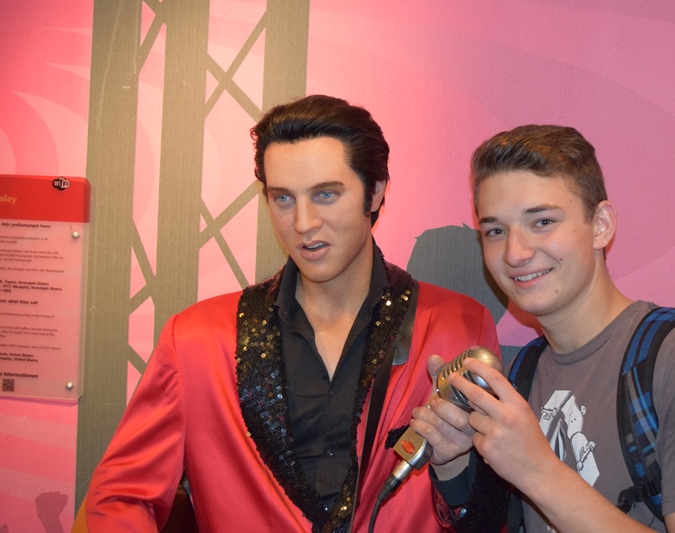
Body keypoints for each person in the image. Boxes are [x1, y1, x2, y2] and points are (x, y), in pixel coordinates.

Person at [83, 95, 500, 533]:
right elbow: (120, 497)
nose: (302, 223)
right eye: (283, 198)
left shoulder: (459, 327)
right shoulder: (195, 339)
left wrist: (455, 472)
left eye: (325, 195)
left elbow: (488, 512)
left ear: (375, 191)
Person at [411, 124, 675, 532]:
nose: (515, 252)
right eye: (495, 231)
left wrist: (538, 471)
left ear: (601, 224)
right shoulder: (521, 374)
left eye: (542, 222)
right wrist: (455, 461)